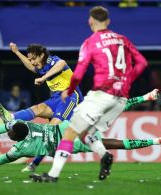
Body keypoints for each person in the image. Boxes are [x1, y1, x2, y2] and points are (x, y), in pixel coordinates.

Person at [30, 6, 149, 182]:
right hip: (120, 98)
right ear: (108, 21)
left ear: (90, 21)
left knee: (70, 132)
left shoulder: (90, 42)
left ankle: (52, 175)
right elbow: (142, 62)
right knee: (87, 133)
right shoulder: (123, 40)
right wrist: (127, 80)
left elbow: (78, 73)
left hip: (101, 95)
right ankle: (105, 155)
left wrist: (68, 92)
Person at [0, 110, 161, 173]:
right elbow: (1, 127)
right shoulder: (24, 125)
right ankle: (151, 134)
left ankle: (155, 141)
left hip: (68, 143)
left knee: (111, 143)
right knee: (105, 125)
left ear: (14, 138)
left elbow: (0, 160)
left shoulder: (20, 148)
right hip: (66, 128)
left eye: (8, 134)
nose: (6, 133)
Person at [2, 43, 84, 171]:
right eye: (30, 59)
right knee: (38, 108)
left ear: (42, 55)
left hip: (70, 96)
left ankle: (34, 164)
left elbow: (62, 63)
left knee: (49, 131)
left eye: (34, 58)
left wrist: (43, 78)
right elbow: (30, 66)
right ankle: (11, 117)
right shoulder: (40, 65)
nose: (32, 62)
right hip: (56, 97)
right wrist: (17, 52)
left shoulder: (51, 60)